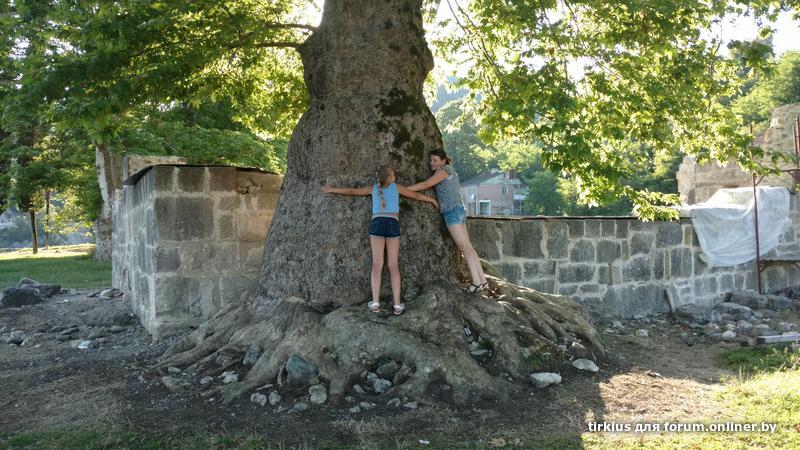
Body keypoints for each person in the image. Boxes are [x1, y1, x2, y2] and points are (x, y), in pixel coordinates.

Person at [322, 166, 438, 315]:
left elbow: (352, 191)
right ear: (389, 178)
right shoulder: (396, 187)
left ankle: (375, 302)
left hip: (377, 223)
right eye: (393, 175)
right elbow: (415, 196)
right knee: (393, 265)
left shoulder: (373, 189)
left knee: (377, 264)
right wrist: (431, 200)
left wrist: (331, 189)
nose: (395, 177)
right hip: (393, 223)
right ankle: (397, 304)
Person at [406, 149, 488, 293]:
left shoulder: (444, 171)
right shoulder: (446, 171)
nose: (431, 163)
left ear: (443, 161)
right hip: (457, 210)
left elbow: (425, 185)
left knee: (464, 247)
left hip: (452, 212)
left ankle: (476, 283)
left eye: (435, 160)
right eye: (431, 160)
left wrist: (403, 189)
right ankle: (483, 282)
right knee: (468, 247)